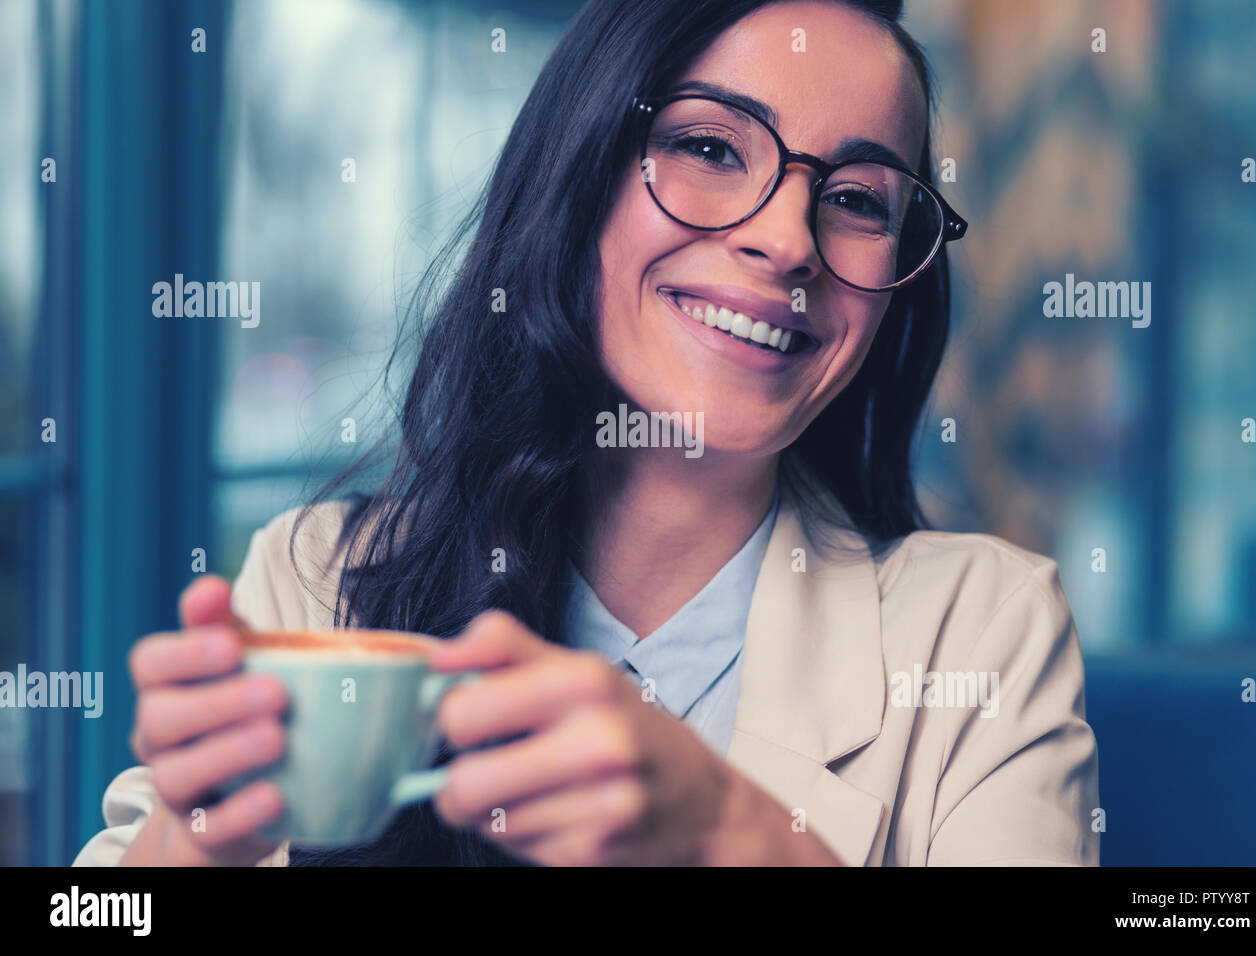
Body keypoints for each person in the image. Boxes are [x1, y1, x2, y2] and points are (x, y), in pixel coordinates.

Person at [74, 0, 1099, 867]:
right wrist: (193, 840)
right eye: (707, 147)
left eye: (857, 201)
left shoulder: (982, 629)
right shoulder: (320, 581)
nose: (787, 240)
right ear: (579, 176)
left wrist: (726, 827)